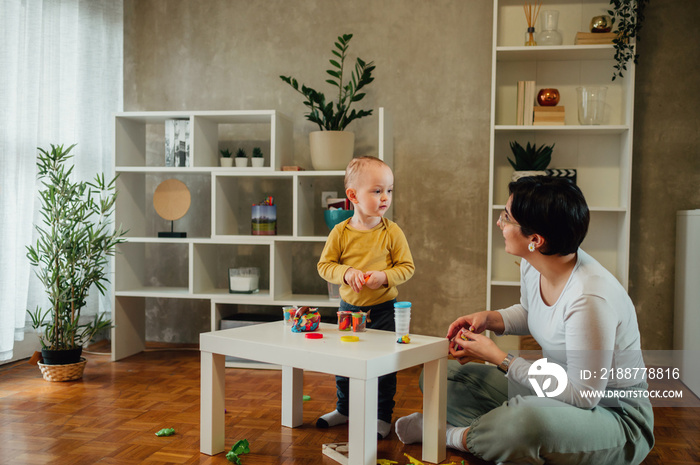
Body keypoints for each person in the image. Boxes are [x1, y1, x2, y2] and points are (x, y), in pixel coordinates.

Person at [395, 176, 654, 464]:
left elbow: (584, 396)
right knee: (443, 377)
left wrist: (499, 358)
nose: (499, 223)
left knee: (525, 423)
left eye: (506, 217)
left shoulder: (590, 298)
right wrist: (489, 319)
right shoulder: (536, 265)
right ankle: (499, 435)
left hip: (614, 416)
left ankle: (448, 435)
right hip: (555, 395)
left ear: (535, 240)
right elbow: (532, 313)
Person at [316, 155, 415, 439]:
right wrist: (346, 273)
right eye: (377, 190)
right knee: (345, 363)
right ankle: (344, 409)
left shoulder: (391, 231)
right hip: (349, 309)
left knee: (384, 366)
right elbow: (325, 266)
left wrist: (384, 277)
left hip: (384, 310)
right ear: (353, 196)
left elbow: (407, 268)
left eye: (389, 190)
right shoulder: (340, 232)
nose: (385, 197)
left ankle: (382, 416)